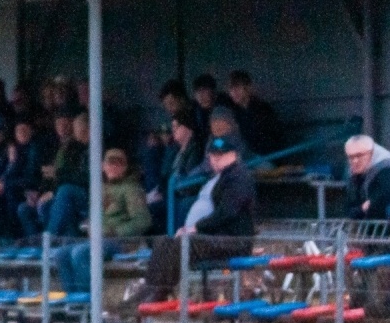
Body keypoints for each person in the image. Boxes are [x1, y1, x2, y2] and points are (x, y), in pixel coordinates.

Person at [139, 134, 255, 303]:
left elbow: (227, 213)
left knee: (185, 242)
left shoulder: (239, 177)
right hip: (216, 238)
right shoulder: (220, 177)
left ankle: (160, 291)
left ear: (234, 155)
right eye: (213, 155)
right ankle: (150, 288)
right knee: (164, 242)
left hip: (234, 241)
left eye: (221, 155)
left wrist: (196, 228)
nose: (216, 159)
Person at [56, 148, 151, 293]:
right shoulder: (99, 188)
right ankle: (75, 304)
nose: (113, 167)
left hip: (123, 242)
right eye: (110, 163)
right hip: (97, 240)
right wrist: (88, 225)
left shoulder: (131, 188)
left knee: (80, 254)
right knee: (61, 253)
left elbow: (143, 221)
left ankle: (89, 305)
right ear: (103, 166)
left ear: (124, 167)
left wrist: (112, 231)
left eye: (118, 164)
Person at [228, 70, 282, 155]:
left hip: (265, 159)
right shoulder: (234, 113)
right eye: (231, 88)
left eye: (237, 87)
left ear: (248, 88)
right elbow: (224, 137)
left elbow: (271, 141)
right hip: (244, 158)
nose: (234, 92)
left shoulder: (263, 110)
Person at [344, 134, 390, 220]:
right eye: (351, 157)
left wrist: (361, 209)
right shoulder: (352, 173)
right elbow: (349, 210)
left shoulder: (386, 168)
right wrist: (362, 209)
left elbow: (378, 205)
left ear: (372, 153)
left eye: (359, 155)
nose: (355, 161)